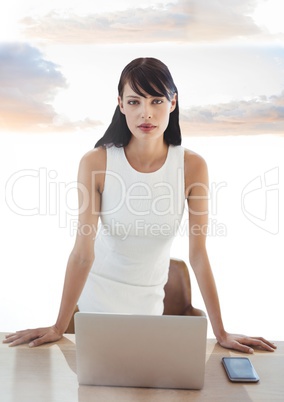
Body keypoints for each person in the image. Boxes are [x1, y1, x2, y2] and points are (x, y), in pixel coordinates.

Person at [4, 57, 276, 354]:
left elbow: (198, 255)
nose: (146, 113)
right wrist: (58, 326)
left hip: (149, 317)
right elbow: (83, 253)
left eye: (157, 100)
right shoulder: (96, 162)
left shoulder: (192, 166)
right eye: (134, 102)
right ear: (120, 104)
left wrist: (221, 332)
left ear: (173, 103)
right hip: (93, 317)